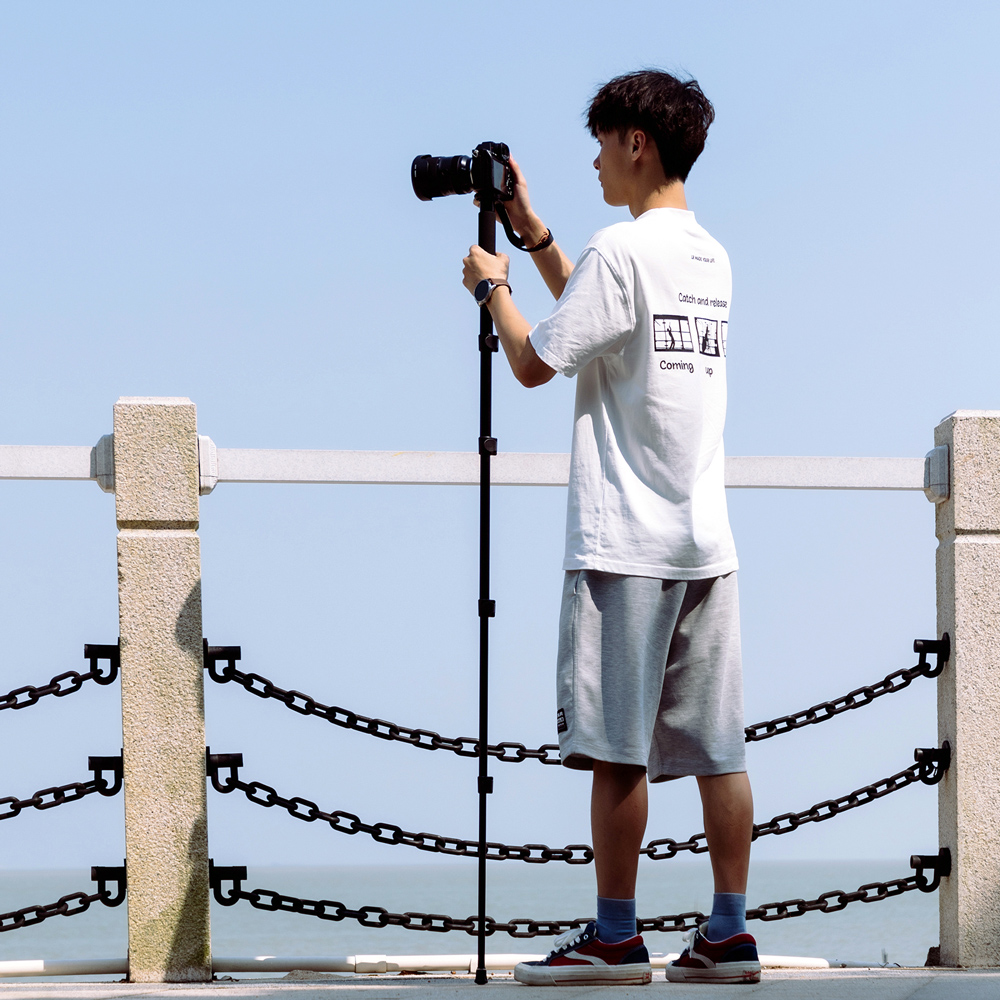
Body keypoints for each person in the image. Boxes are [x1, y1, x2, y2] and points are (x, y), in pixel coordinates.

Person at [460, 70, 759, 986]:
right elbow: (596, 321)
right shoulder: (710, 258)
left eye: (601, 143)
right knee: (718, 750)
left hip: (624, 540)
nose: (594, 160)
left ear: (637, 141)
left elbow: (534, 360)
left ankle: (617, 936)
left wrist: (493, 287)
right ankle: (729, 933)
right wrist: (535, 233)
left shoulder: (620, 250)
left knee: (616, 749)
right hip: (705, 543)